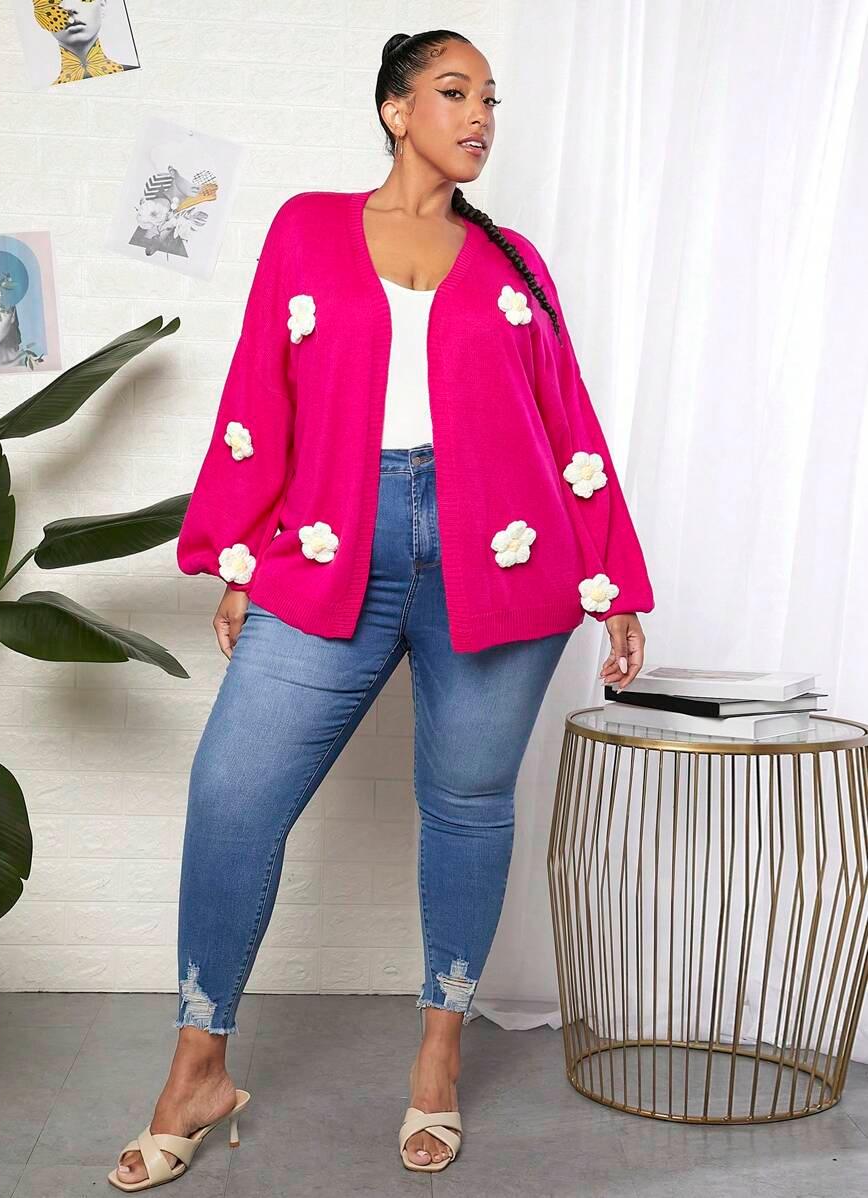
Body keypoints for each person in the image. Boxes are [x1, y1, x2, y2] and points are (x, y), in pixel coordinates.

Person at [108, 28, 654, 1190]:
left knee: (466, 804)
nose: (480, 116)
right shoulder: (308, 228)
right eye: (455, 92)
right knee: (234, 794)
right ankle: (198, 1069)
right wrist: (242, 559)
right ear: (396, 109)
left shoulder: (511, 261)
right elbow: (261, 391)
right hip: (330, 540)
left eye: (492, 99)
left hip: (500, 553)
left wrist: (611, 580)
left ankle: (439, 1055)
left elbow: (568, 419)